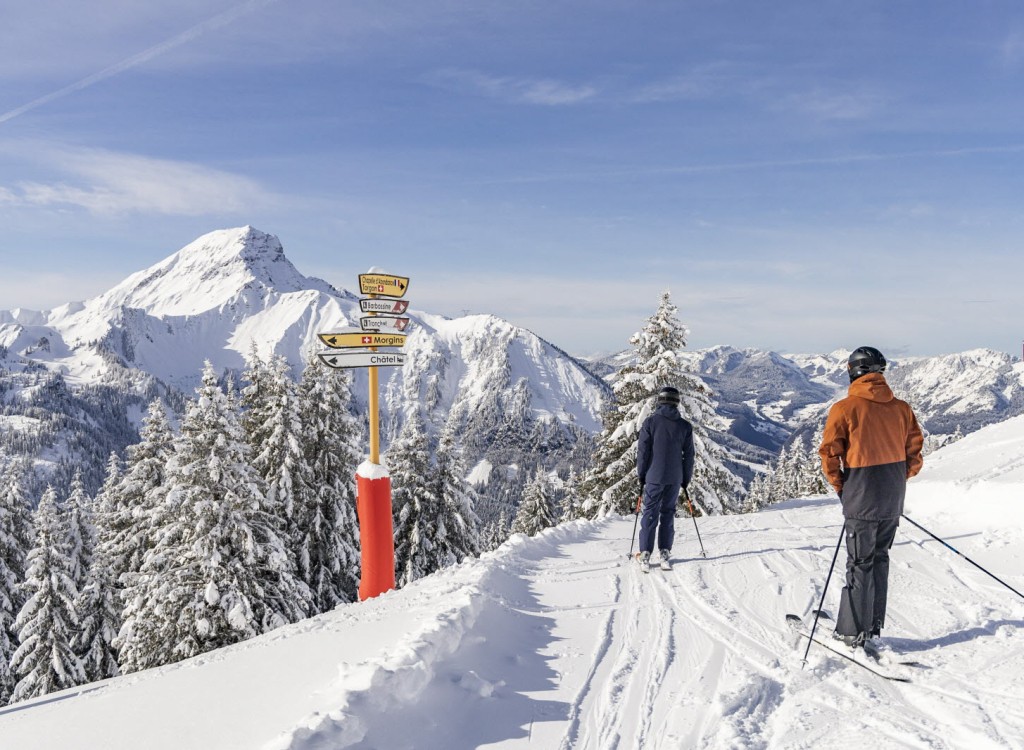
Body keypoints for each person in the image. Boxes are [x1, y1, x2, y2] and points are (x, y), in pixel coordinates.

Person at [818, 346, 924, 650]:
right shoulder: (901, 408)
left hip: (861, 498)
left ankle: (852, 631)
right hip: (892, 498)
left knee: (859, 563)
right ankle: (873, 626)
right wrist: (895, 480)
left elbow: (829, 454)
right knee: (879, 558)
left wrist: (842, 487)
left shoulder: (845, 408)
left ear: (854, 372)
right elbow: (914, 453)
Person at [635, 385, 695, 572]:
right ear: (677, 402)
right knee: (668, 513)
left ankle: (645, 553)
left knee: (650, 513)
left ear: (660, 401)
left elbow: (643, 452)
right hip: (675, 478)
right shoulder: (685, 426)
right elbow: (689, 456)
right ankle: (664, 552)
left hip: (653, 476)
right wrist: (685, 478)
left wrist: (642, 474)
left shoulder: (650, 422)